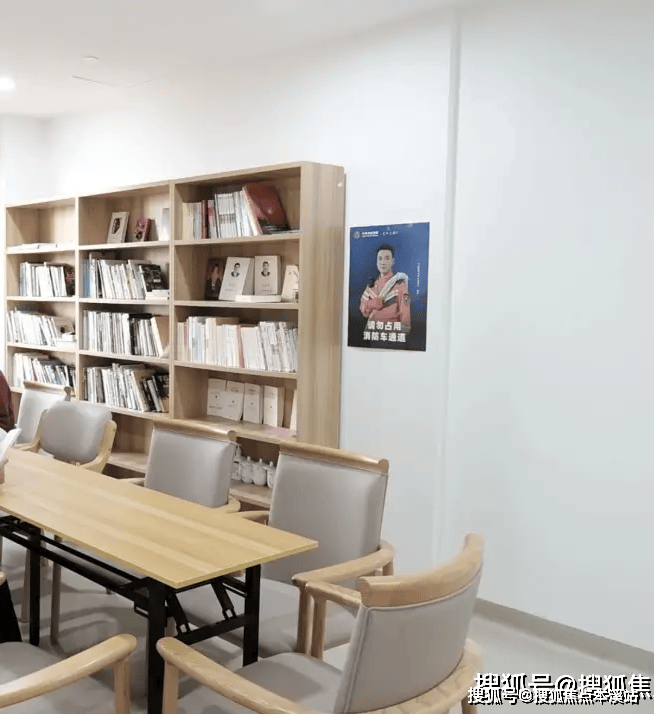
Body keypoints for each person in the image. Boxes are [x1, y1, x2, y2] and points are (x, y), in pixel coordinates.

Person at [359, 244, 410, 332]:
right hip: (373, 333)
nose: (382, 262)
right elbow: (363, 310)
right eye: (380, 258)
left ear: (392, 261)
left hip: (391, 333)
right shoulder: (371, 286)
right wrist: (371, 304)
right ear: (376, 261)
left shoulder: (400, 286)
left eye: (387, 258)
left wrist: (402, 334)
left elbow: (405, 318)